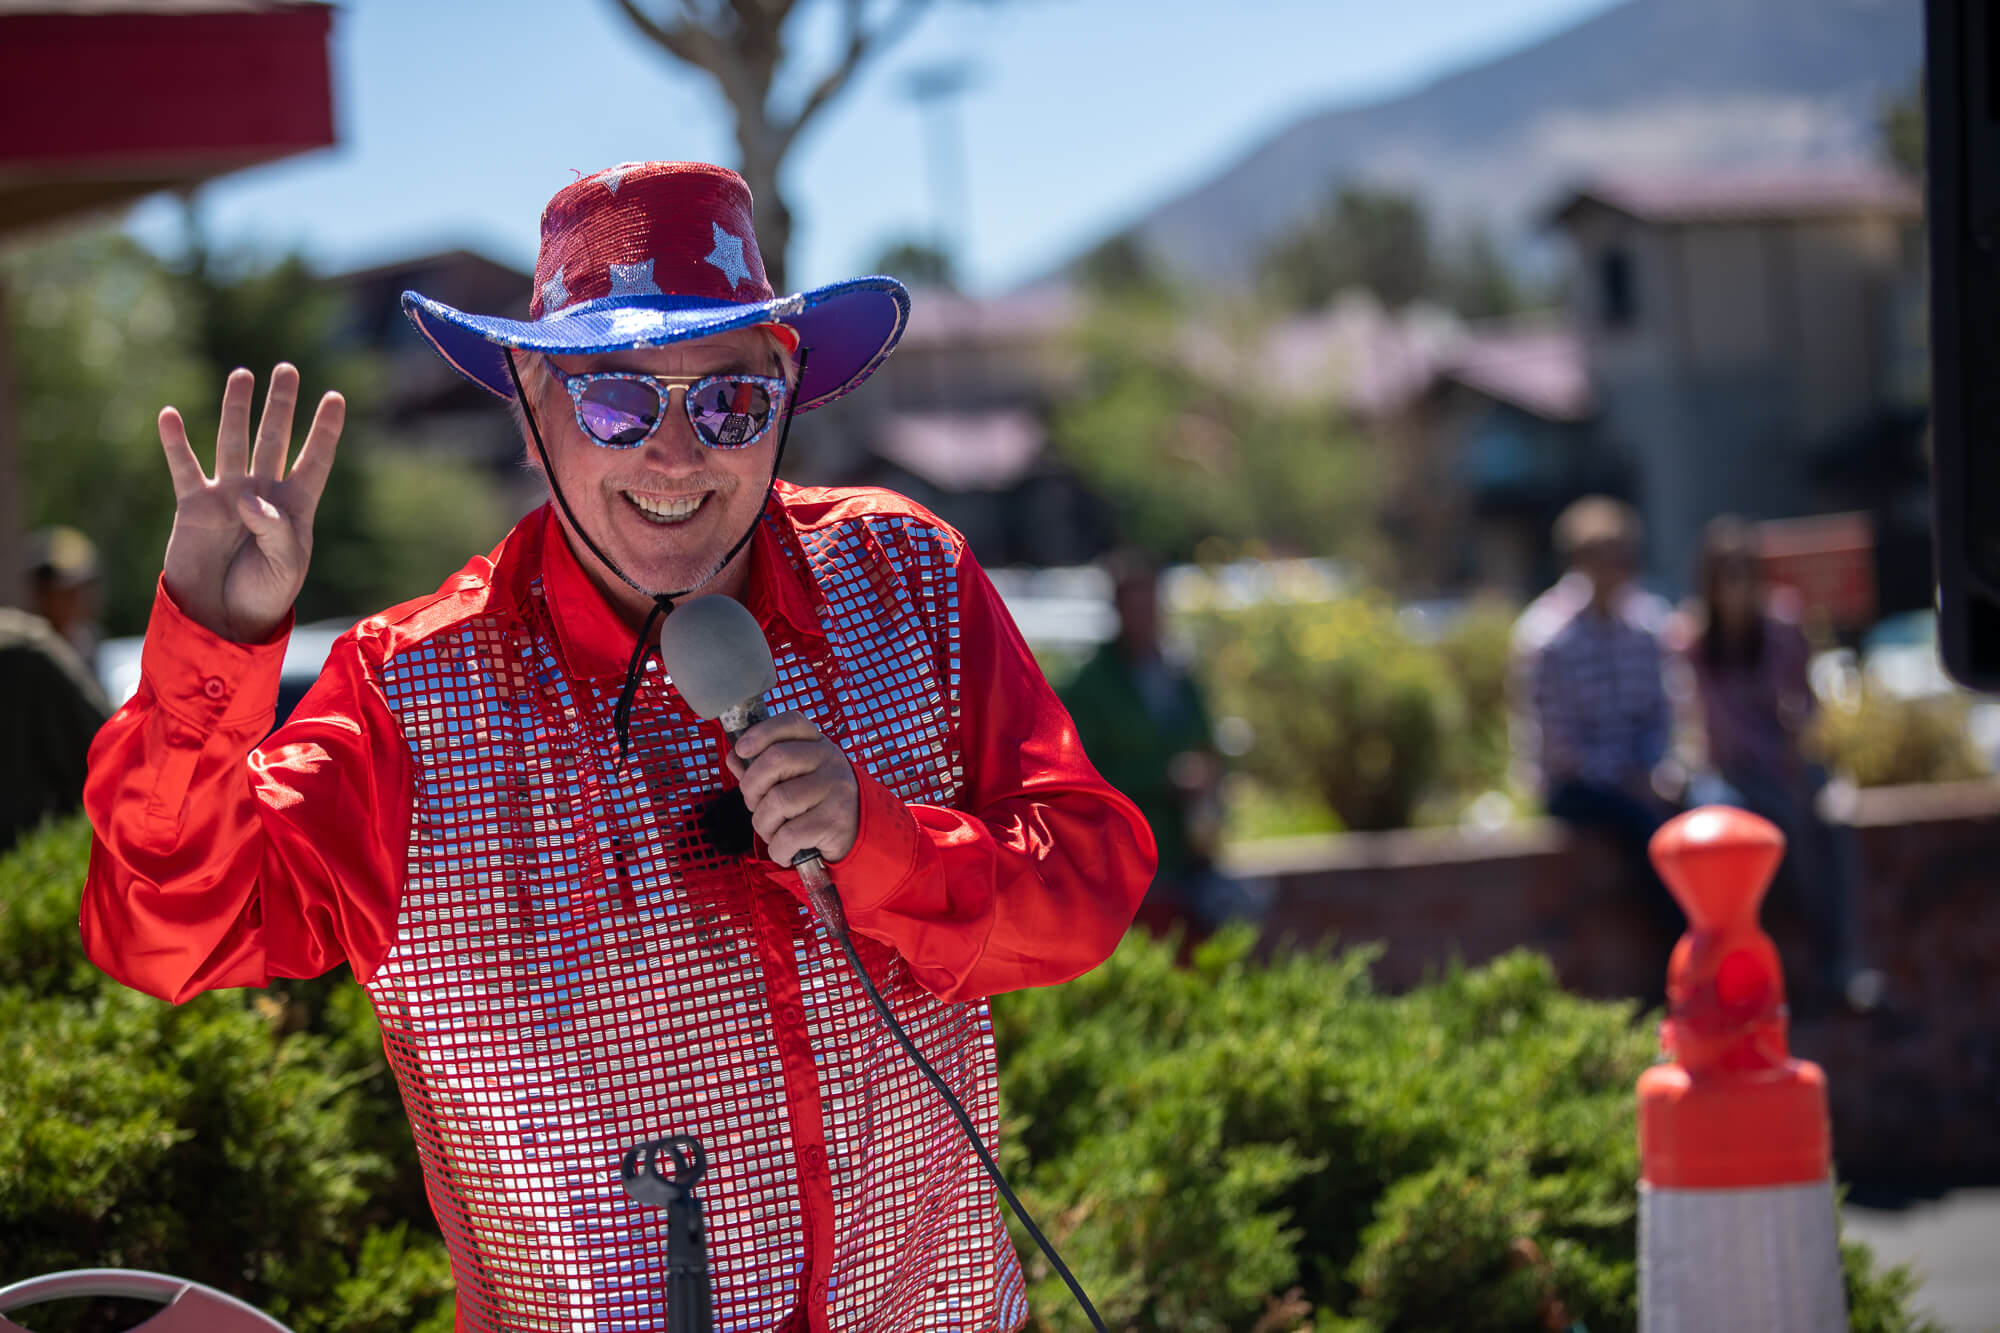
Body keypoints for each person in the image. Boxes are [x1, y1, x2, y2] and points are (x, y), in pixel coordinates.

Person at [80, 162, 1154, 1332]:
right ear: (532, 417)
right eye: (614, 404)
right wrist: (215, 650)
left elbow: (1087, 880)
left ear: (786, 395)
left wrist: (885, 845)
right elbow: (164, 933)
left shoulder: (902, 577)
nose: (675, 456)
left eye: (729, 404)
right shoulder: (412, 695)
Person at [1678, 515, 1882, 1013]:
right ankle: (1772, 971)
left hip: (1787, 764)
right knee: (1772, 826)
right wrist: (1776, 763)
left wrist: (1796, 742)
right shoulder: (1694, 641)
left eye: (1746, 571)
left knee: (1834, 817)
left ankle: (1843, 960)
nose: (1738, 585)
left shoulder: (1785, 625)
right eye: (1727, 574)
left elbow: (1807, 705)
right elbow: (1723, 729)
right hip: (1733, 772)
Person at [1515, 497, 1683, 949]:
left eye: (1625, 557)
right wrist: (1628, 779)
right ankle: (1679, 954)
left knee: (1711, 809)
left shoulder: (1648, 624)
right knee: (1646, 830)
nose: (1618, 569)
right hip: (1576, 786)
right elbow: (1559, 748)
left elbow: (1662, 713)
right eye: (1606, 558)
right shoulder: (1548, 638)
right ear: (1579, 563)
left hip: (1642, 779)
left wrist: (1653, 770)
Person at [1061, 553, 1241, 941]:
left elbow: (1208, 744)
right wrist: (1163, 777)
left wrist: (1208, 774)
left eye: (1151, 604)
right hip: (1126, 851)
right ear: (1118, 610)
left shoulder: (1178, 673)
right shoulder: (1090, 683)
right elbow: (1077, 771)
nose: (1145, 615)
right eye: (1135, 605)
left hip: (1189, 848)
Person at [2, 528, 111, 852]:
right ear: (38, 592)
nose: (72, 601)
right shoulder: (29, 651)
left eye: (77, 590)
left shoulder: (87, 644)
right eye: (59, 590)